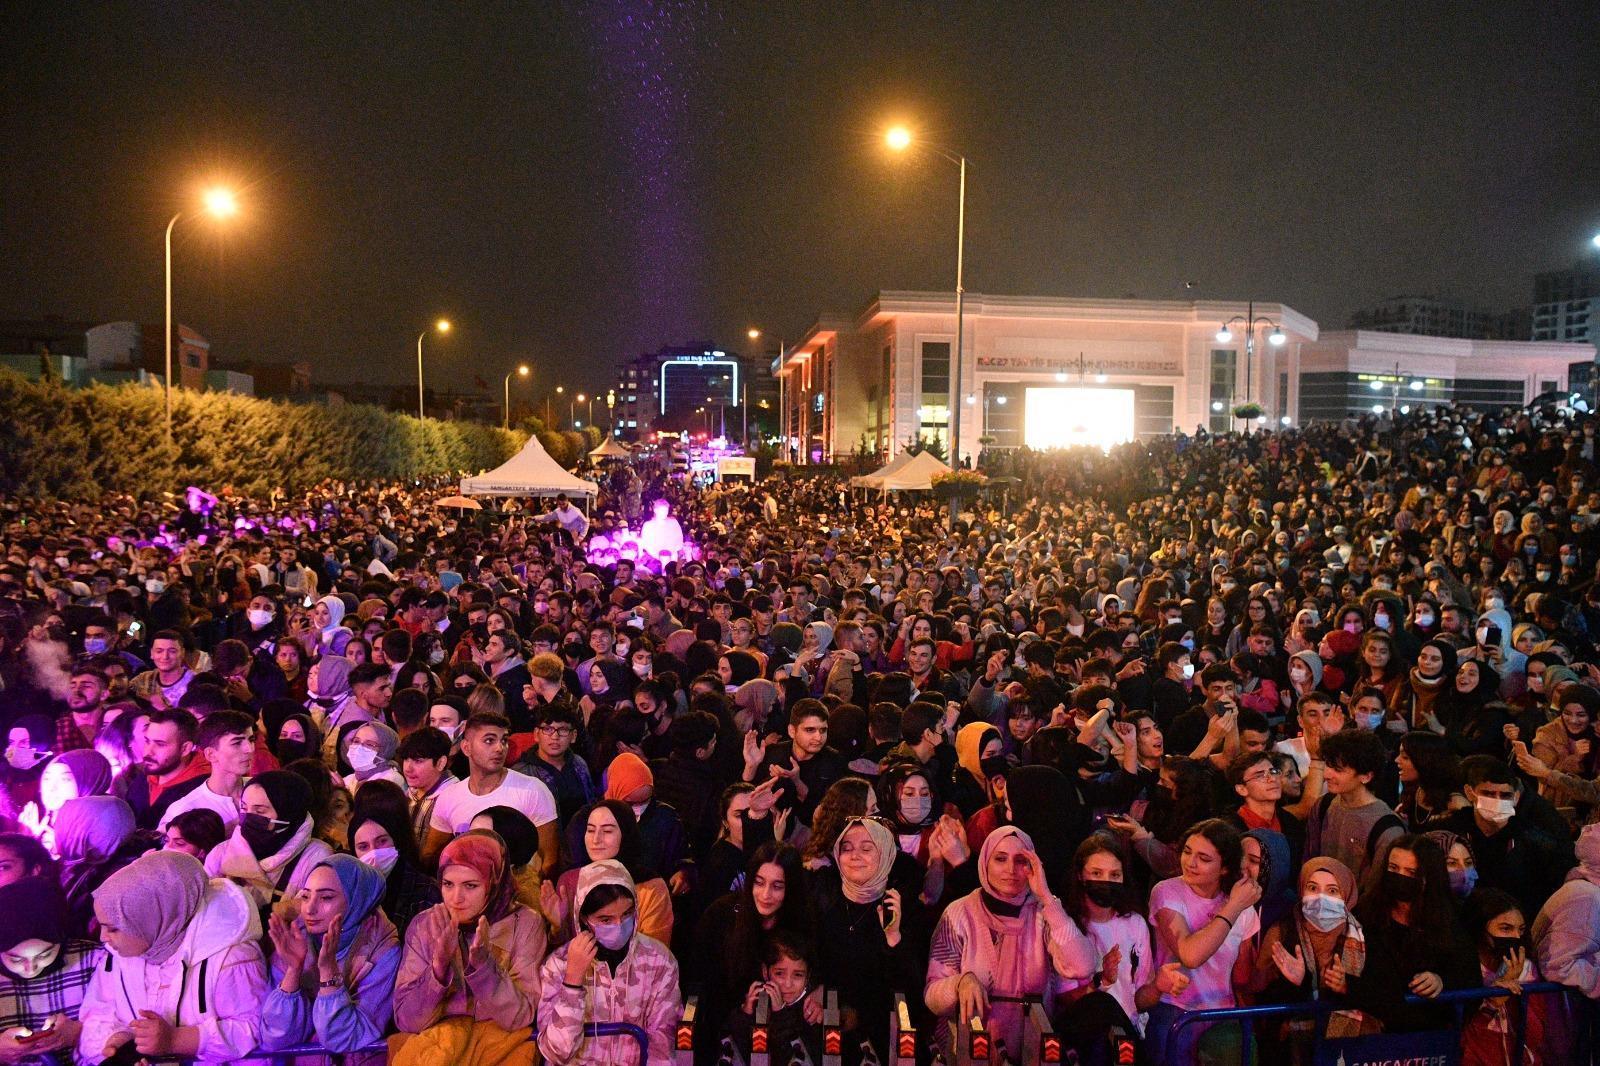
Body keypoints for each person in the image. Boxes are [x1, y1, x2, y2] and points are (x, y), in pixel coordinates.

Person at [77, 850, 268, 1063]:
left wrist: (177, 1040)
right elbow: (96, 1014)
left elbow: (256, 1028)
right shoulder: (118, 956)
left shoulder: (231, 957)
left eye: (113, 928)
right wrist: (120, 1040)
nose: (103, 938)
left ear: (149, 917)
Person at [924, 825, 1096, 1057]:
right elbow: (932, 995)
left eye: (1020, 861)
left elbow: (1083, 966)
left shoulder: (1043, 915)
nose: (1010, 870)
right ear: (985, 862)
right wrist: (960, 983)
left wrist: (1046, 897)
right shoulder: (959, 913)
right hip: (970, 1052)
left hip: (1032, 1050)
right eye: (1000, 859)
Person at [392, 831, 546, 1062]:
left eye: (470, 886)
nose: (456, 898)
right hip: (436, 1051)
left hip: (500, 1050)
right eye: (447, 884)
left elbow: (519, 1016)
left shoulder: (525, 923)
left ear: (494, 882)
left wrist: (484, 968)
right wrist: (438, 968)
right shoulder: (426, 924)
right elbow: (406, 1020)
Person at [537, 858, 683, 1066]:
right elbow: (557, 1053)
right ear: (584, 919)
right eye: (605, 920)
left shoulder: (658, 961)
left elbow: (661, 1047)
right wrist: (572, 982)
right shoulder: (559, 965)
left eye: (626, 914)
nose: (618, 925)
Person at [262, 853, 400, 1063]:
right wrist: (294, 969)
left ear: (356, 900)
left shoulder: (382, 947)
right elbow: (277, 1038)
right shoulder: (296, 936)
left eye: (326, 897)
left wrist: (328, 971)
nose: (310, 908)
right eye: (306, 896)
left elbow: (343, 1038)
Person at [1144, 819, 1262, 1065]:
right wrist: (1234, 907)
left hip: (1222, 1016)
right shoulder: (1166, 891)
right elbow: (1191, 955)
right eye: (1187, 852)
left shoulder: (1239, 902)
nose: (1191, 863)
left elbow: (1241, 977)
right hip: (1176, 1011)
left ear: (1225, 868)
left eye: (1204, 859)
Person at [807, 816, 925, 1060]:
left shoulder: (905, 908)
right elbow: (813, 959)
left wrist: (894, 938)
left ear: (885, 854)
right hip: (830, 1035)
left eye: (866, 848)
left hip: (886, 1040)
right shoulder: (825, 901)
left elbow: (912, 989)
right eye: (846, 848)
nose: (854, 855)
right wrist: (818, 986)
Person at [1348, 834, 1477, 1033]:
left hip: (1428, 1038)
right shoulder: (1365, 916)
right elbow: (1355, 976)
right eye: (1393, 868)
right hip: (1375, 1039)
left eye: (1411, 872)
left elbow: (1468, 978)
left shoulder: (1448, 922)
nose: (1400, 876)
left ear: (1429, 877)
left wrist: (1441, 981)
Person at [424, 713, 559, 873]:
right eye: (489, 740)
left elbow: (549, 860)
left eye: (504, 740)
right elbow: (430, 856)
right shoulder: (449, 796)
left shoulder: (533, 790)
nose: (500, 748)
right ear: (466, 747)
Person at [0, 877, 100, 1063]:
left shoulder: (93, 959)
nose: (31, 968)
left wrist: (81, 1032)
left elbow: (124, 1022)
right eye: (15, 958)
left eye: (44, 955)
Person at [547, 801, 673, 945]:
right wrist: (557, 927)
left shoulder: (651, 887)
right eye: (590, 830)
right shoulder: (570, 881)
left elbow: (656, 953)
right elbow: (558, 951)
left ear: (626, 834)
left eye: (607, 831)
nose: (596, 840)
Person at [204, 769, 332, 911]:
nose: (248, 818)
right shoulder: (221, 853)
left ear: (288, 813)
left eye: (259, 811)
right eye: (244, 808)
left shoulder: (316, 857)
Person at [347, 798, 442, 940]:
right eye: (363, 847)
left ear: (396, 841)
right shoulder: (350, 891)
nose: (374, 852)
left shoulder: (426, 890)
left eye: (382, 841)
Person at [158, 709, 256, 833]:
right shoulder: (184, 810)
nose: (249, 749)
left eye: (251, 740)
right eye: (237, 743)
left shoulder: (264, 790)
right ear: (210, 754)